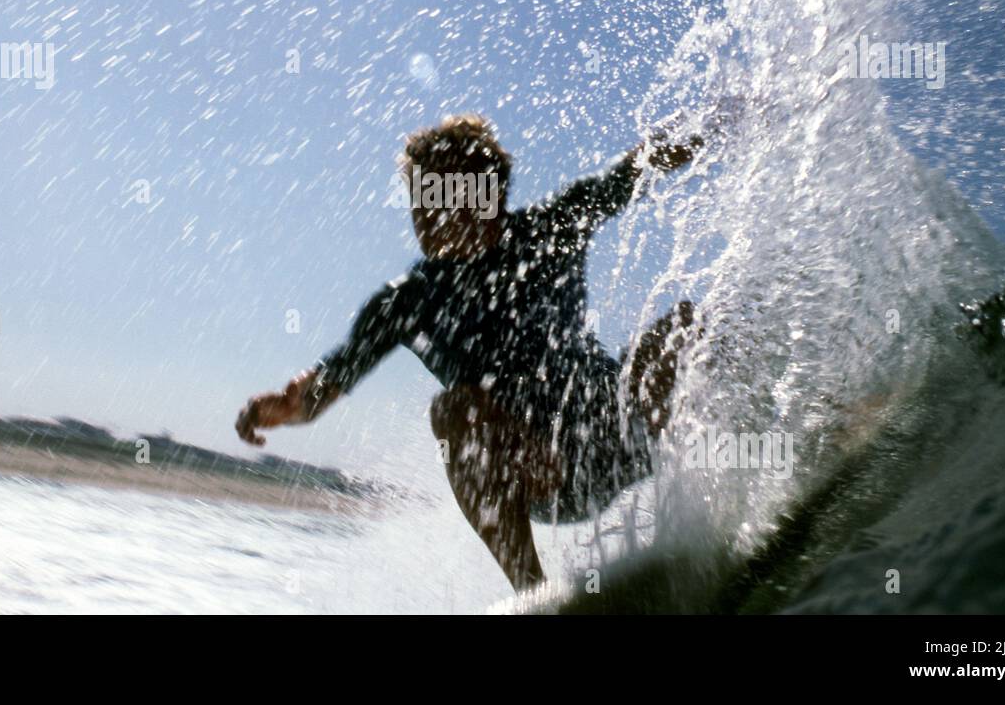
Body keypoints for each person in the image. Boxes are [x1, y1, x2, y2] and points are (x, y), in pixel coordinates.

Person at [236, 114, 702, 590]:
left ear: (492, 195)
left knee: (685, 326)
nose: (432, 212)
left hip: (620, 429)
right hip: (543, 474)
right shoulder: (404, 303)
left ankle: (728, 497)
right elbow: (319, 390)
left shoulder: (552, 228)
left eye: (449, 193)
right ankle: (534, 594)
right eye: (422, 198)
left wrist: (714, 125)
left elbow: (634, 169)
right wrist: (287, 407)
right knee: (455, 410)